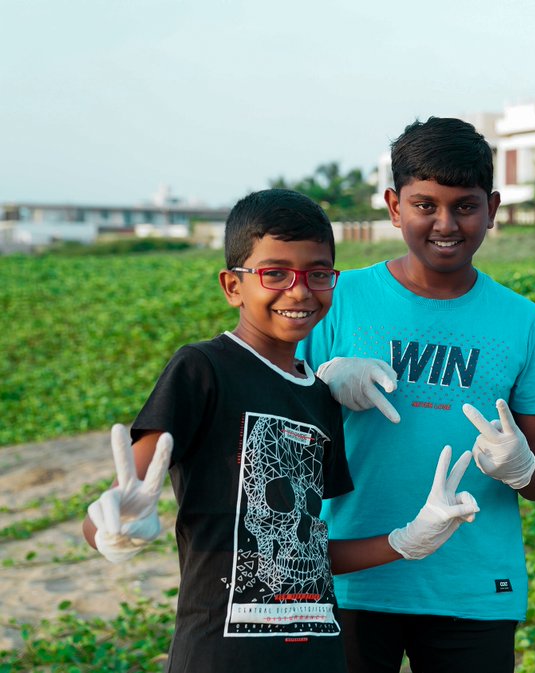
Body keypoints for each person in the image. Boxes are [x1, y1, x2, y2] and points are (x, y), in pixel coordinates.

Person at [82, 188, 479, 673]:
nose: (299, 290)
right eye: (275, 273)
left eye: (317, 274)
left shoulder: (319, 397)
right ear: (233, 286)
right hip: (223, 656)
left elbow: (307, 550)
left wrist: (408, 538)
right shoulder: (203, 369)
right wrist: (111, 528)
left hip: (321, 654)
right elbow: (127, 495)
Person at [300, 117, 535, 673]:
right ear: (394, 206)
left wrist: (520, 468)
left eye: (465, 206)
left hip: (471, 585)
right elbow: (277, 434)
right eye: (425, 205)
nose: (445, 223)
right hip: (349, 577)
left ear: (492, 208)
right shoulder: (338, 299)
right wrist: (322, 387)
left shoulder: (521, 322)